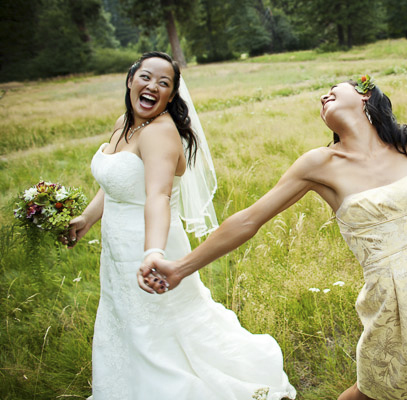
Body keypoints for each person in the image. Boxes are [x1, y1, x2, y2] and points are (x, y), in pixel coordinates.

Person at [140, 75, 407, 399]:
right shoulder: (320, 164)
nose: (323, 98)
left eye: (332, 91)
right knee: (380, 384)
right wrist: (181, 267)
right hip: (388, 291)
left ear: (365, 97)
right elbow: (249, 220)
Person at [67, 51, 296, 400]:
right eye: (145, 77)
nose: (152, 86)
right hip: (118, 247)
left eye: (164, 83)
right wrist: (87, 217)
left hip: (149, 244)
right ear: (130, 80)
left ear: (172, 95)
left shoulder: (159, 133)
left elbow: (157, 196)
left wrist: (153, 251)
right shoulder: (124, 124)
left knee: (157, 328)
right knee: (128, 320)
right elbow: (116, 182)